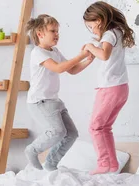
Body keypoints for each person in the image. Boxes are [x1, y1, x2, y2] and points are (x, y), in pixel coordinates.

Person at [23, 14, 93, 171]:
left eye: (57, 31)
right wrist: (80, 55)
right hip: (40, 102)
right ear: (40, 34)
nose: (57, 34)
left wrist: (88, 60)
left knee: (71, 133)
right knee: (57, 131)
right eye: (52, 31)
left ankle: (51, 163)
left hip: (54, 101)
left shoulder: (54, 51)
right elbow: (59, 68)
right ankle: (32, 150)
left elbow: (72, 70)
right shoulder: (38, 52)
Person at [81, 1, 135, 175]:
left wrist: (90, 46)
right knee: (105, 128)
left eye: (91, 27)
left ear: (99, 20)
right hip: (121, 88)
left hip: (110, 88)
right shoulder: (116, 32)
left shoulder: (109, 35)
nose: (92, 30)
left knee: (95, 127)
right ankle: (112, 165)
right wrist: (95, 43)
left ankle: (104, 163)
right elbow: (106, 52)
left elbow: (104, 55)